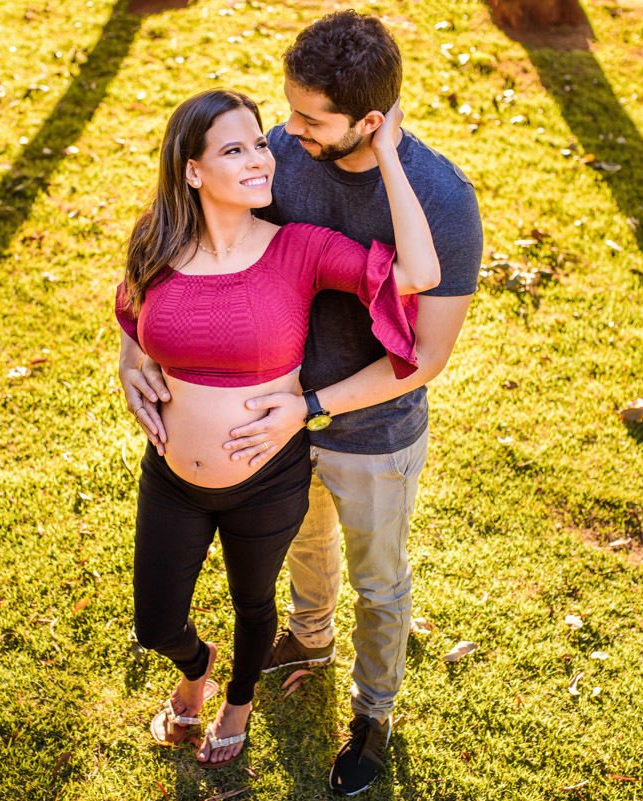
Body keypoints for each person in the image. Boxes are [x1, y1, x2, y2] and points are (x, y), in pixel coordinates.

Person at [121, 12, 483, 794]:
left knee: (378, 580)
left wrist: (309, 403)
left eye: (310, 119)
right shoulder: (283, 153)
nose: (286, 133)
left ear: (371, 122)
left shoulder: (444, 202)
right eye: (285, 113)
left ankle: (372, 715)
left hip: (371, 427)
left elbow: (426, 355)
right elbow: (177, 241)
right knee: (306, 553)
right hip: (281, 430)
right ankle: (309, 637)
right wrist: (134, 345)